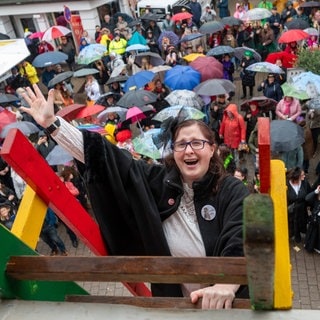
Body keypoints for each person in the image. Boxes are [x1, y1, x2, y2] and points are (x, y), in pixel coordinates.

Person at [21, 84, 250, 309]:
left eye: (197, 143)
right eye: (181, 144)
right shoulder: (158, 181)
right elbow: (106, 157)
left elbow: (240, 237)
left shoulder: (231, 190)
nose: (189, 150)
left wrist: (226, 285)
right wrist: (53, 125)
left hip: (229, 305)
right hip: (174, 306)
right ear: (174, 152)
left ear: (212, 149)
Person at [286, 167, 311, 243]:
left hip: (302, 210)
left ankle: (299, 235)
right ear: (296, 177)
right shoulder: (286, 185)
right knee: (292, 223)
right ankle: (294, 234)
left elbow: (309, 193)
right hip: (291, 210)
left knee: (301, 222)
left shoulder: (305, 183)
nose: (304, 176)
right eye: (302, 175)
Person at [304, 184, 320, 253]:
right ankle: (310, 246)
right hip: (314, 220)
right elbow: (307, 198)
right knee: (312, 233)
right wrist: (315, 191)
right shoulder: (316, 195)